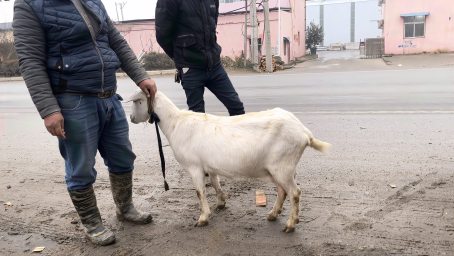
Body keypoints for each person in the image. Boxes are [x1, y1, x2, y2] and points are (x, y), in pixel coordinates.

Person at [13, 0, 157, 246]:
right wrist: (49, 109)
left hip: (109, 95)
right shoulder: (29, 5)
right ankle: (92, 223)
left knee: (123, 157)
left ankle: (125, 208)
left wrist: (140, 75)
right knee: (80, 168)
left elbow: (115, 41)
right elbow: (30, 61)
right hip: (72, 100)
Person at [155, 0, 245, 116]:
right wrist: (181, 57)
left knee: (236, 107)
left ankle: (235, 135)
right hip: (190, 68)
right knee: (197, 118)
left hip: (214, 65)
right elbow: (162, 35)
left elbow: (212, 25)